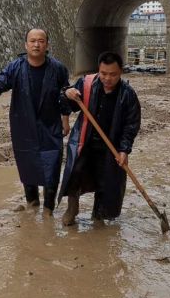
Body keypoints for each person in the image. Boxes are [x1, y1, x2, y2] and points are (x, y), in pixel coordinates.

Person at [0, 29, 70, 215]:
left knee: (52, 166)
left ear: (47, 45)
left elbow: (64, 94)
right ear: (26, 45)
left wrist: (65, 120)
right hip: (23, 127)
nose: (36, 44)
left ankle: (48, 210)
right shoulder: (15, 67)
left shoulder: (58, 68)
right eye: (32, 41)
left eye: (41, 41)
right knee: (28, 166)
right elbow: (0, 84)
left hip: (50, 126)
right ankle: (32, 206)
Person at [58, 51, 141, 226]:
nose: (107, 78)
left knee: (106, 182)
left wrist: (124, 149)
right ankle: (72, 209)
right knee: (75, 175)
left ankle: (99, 216)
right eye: (103, 73)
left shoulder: (128, 95)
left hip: (111, 147)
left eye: (113, 74)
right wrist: (67, 93)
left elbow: (131, 125)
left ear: (121, 72)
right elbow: (68, 105)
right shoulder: (87, 83)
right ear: (98, 70)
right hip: (85, 141)